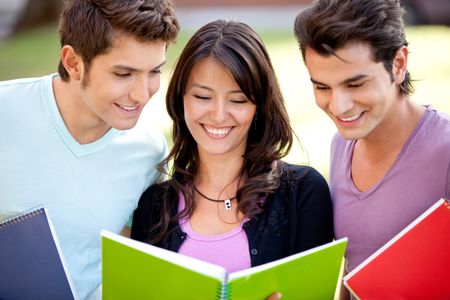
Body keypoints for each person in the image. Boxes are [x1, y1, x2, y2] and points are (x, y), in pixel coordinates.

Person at [131, 19, 334, 299]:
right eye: (203, 96)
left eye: (238, 100)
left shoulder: (303, 193)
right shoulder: (153, 208)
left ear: (259, 106)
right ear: (181, 100)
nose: (218, 114)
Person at [0, 0, 179, 299]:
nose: (142, 93)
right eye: (123, 74)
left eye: (154, 72)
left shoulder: (148, 153)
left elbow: (136, 257)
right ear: (73, 62)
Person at [294, 0, 450, 295]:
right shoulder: (341, 145)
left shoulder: (445, 150)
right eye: (322, 87)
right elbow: (352, 274)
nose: (338, 106)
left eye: (355, 85)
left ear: (399, 64)